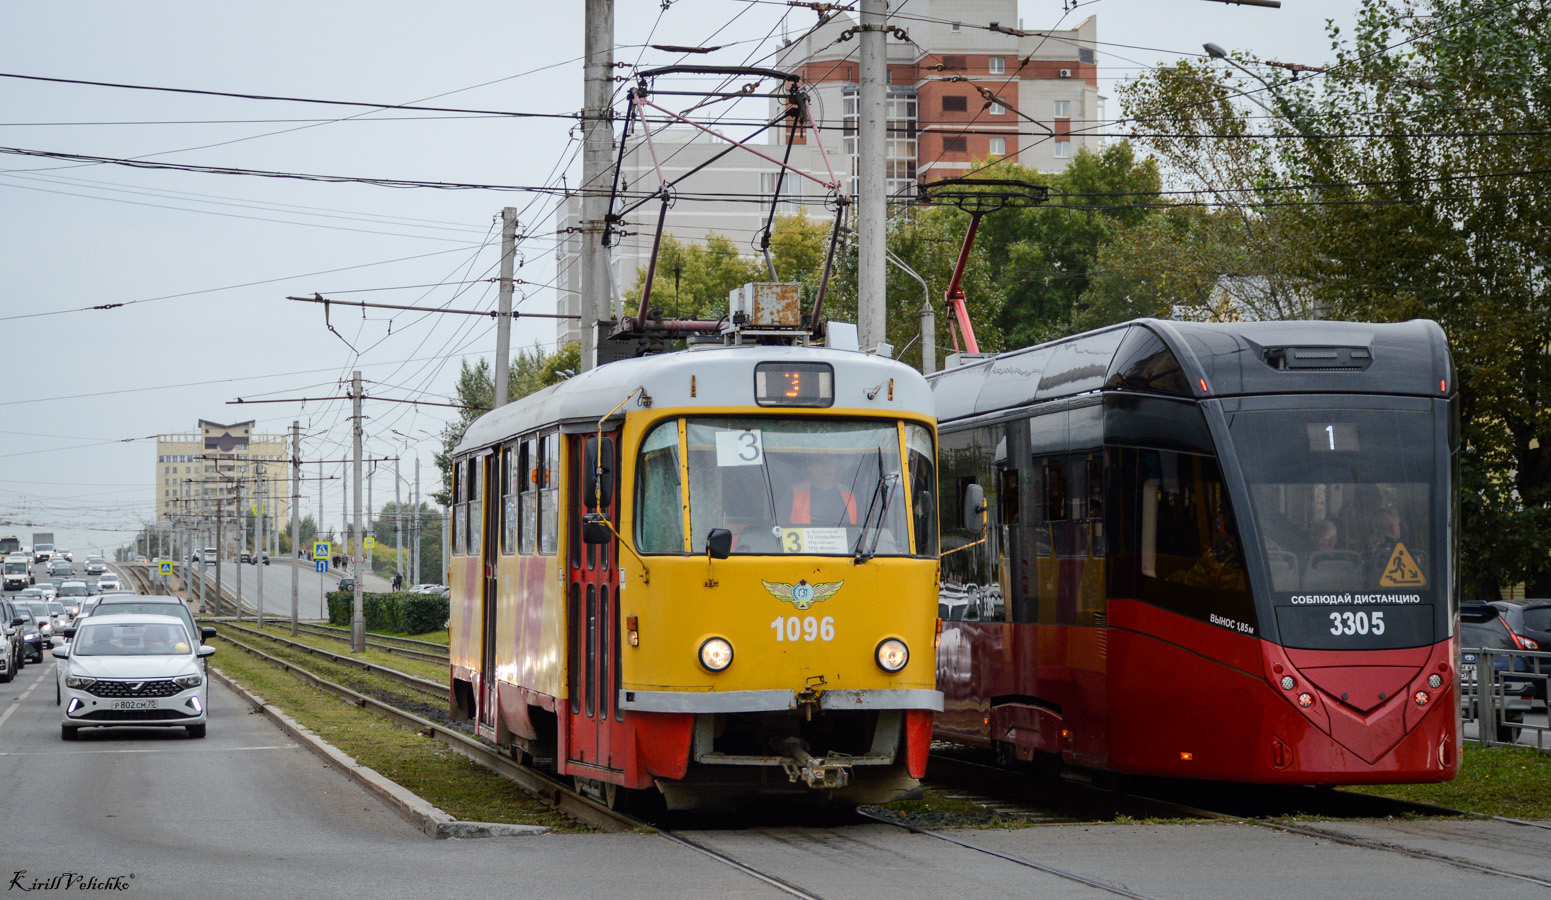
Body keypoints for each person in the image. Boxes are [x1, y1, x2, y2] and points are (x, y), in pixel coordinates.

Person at [787, 454, 857, 526]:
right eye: (819, 461)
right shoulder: (793, 493)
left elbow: (863, 530)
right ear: (809, 465)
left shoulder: (850, 494)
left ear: (837, 464)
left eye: (830, 461)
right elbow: (779, 530)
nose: (826, 466)